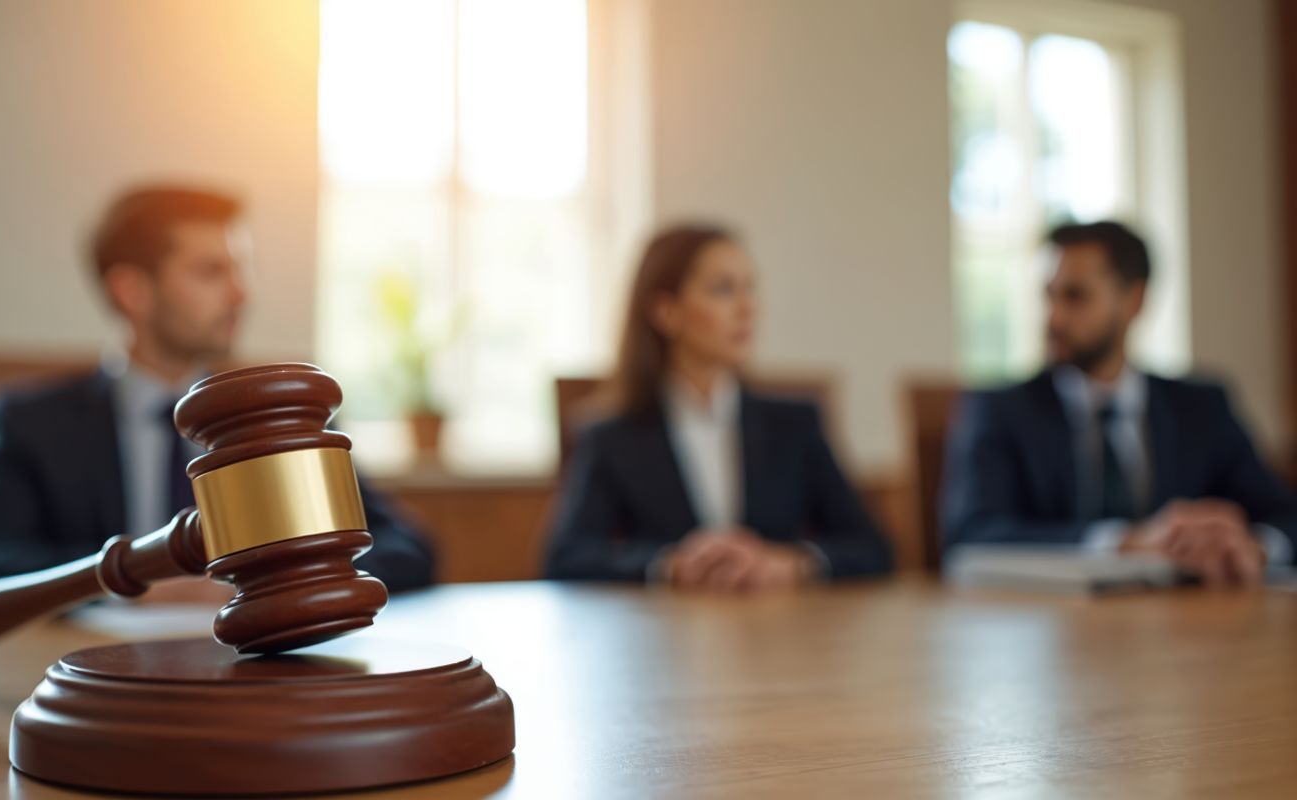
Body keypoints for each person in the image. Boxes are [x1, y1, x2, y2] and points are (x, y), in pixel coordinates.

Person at [0, 185, 434, 594]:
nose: (242, 293)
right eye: (211, 271)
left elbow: (408, 549)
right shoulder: (34, 422)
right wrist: (135, 580)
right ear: (132, 291)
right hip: (100, 683)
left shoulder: (283, 416)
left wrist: (274, 582)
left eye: (241, 268)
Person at [941, 220, 1297, 585]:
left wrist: (1255, 547)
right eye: (1049, 296)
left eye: (1075, 296)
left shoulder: (1201, 408)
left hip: (1191, 628)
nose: (1054, 318)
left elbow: (1286, 517)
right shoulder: (1001, 410)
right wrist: (1123, 542)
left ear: (1134, 300)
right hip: (1057, 629)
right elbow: (971, 533)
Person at [543, 224, 893, 590]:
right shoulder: (611, 435)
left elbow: (874, 549)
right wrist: (668, 565)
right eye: (723, 289)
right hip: (660, 638)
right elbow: (566, 558)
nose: (747, 309)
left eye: (750, 288)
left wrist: (792, 563)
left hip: (780, 635)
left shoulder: (794, 424)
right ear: (667, 312)